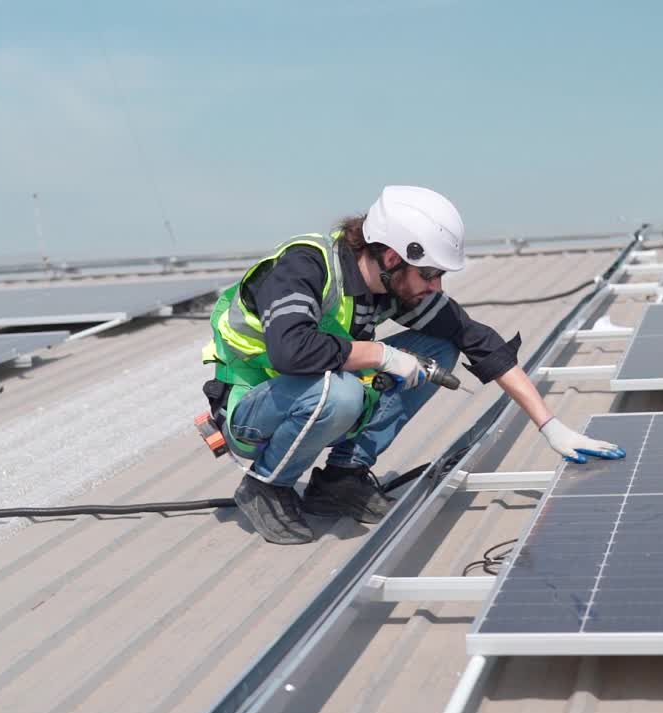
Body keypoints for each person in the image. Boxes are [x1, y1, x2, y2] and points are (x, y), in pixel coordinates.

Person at [201, 186, 625, 544]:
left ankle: (341, 478)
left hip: (312, 396)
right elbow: (291, 353)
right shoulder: (306, 266)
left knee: (437, 347)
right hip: (252, 410)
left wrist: (549, 425)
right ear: (391, 257)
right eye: (429, 274)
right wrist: (383, 355)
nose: (436, 286)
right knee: (341, 391)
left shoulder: (391, 290)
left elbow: (478, 341)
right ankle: (265, 486)